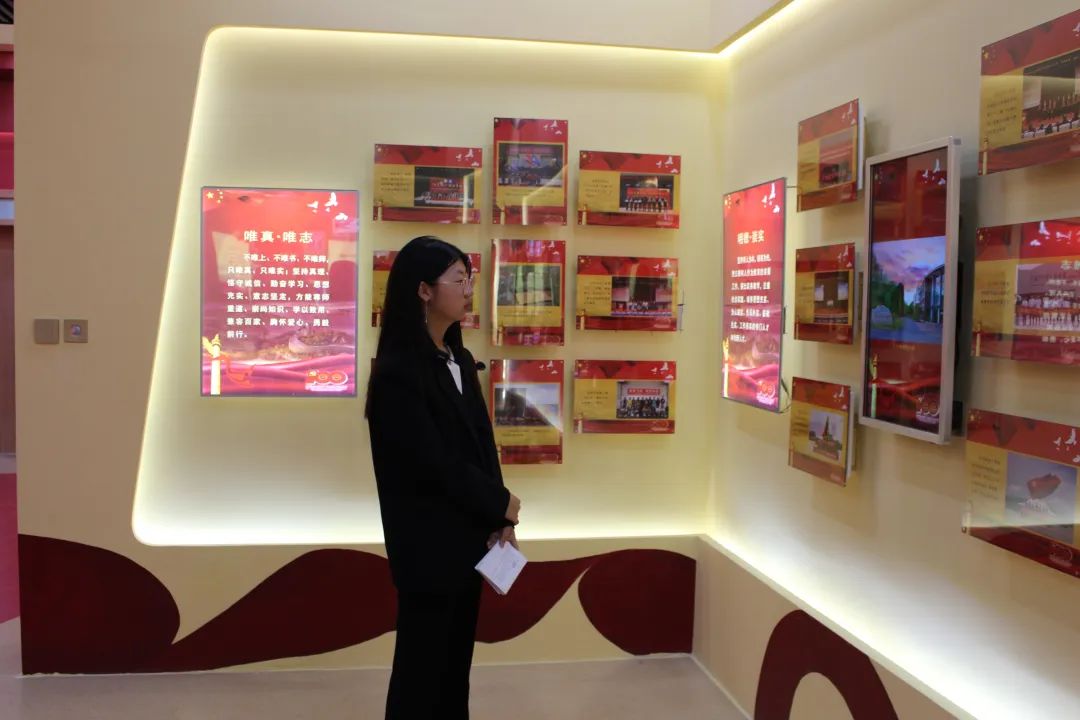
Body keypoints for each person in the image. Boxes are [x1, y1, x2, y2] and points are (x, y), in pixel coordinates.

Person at [365, 235, 522, 719]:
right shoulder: (398, 372)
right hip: (427, 546)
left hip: (469, 539)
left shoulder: (458, 360)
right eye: (458, 279)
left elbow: (480, 444)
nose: (469, 289)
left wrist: (500, 513)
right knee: (421, 672)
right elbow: (431, 462)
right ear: (424, 290)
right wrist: (497, 501)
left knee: (454, 669)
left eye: (469, 278)